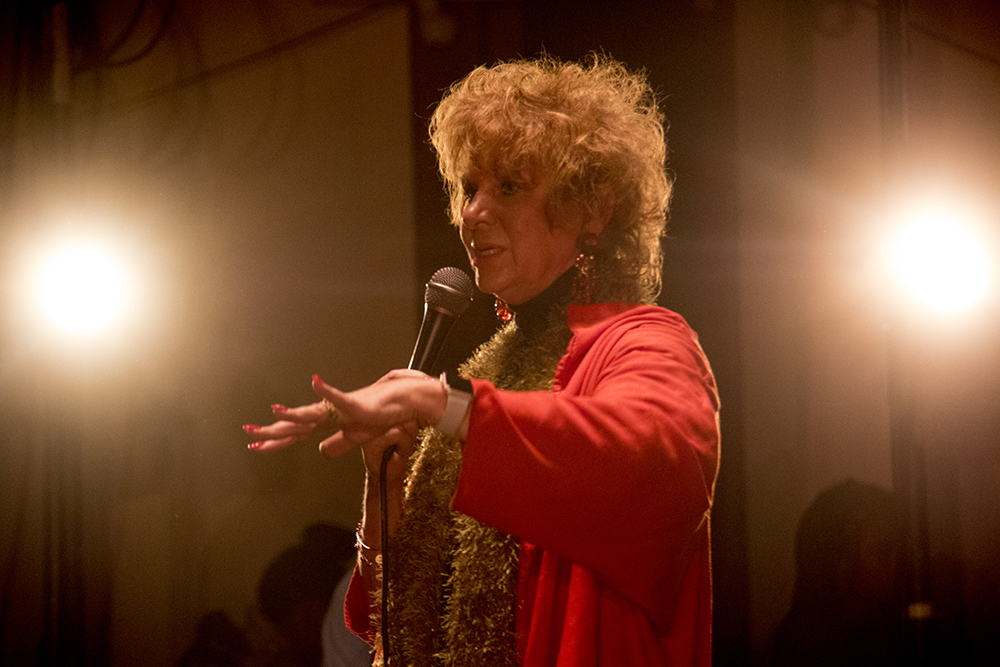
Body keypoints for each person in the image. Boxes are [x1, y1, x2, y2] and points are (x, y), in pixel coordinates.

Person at [244, 54, 720, 667]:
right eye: (470, 189)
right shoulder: (487, 371)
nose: (471, 212)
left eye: (509, 187)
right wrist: (382, 497)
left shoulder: (645, 341)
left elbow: (653, 465)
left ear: (593, 209)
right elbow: (382, 623)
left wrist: (444, 404)